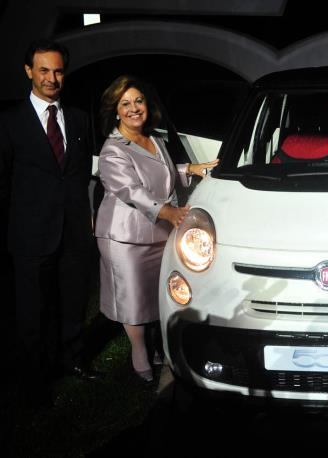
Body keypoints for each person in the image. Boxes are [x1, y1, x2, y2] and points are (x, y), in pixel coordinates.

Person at [95, 75, 217, 382]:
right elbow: (132, 191)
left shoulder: (154, 140)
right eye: (125, 103)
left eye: (138, 101)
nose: (134, 108)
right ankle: (139, 355)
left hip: (158, 233)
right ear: (115, 111)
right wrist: (169, 211)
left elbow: (162, 173)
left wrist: (191, 169)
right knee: (133, 300)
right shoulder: (113, 149)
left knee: (154, 295)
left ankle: (158, 347)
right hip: (125, 238)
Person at [0, 39, 99, 406]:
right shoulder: (9, 122)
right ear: (29, 71)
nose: (51, 78)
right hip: (30, 236)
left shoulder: (78, 118)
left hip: (72, 233)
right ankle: (35, 381)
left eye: (58, 71)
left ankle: (73, 360)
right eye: (43, 70)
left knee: (73, 303)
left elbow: (79, 174)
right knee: (32, 314)